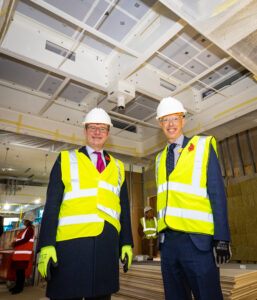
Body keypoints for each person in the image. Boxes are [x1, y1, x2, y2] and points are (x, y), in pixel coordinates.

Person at [38, 107, 133, 300]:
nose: (97, 132)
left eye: (102, 128)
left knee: (101, 296)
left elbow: (123, 209)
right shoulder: (65, 159)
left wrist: (126, 243)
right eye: (92, 127)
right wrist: (46, 244)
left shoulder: (118, 166)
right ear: (85, 131)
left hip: (106, 244)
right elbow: (52, 207)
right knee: (66, 294)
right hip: (70, 245)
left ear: (108, 133)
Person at [155, 97, 231, 300]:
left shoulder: (203, 146)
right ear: (160, 124)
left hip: (197, 242)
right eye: (165, 120)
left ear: (183, 120)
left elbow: (217, 193)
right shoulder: (159, 159)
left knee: (208, 295)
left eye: (174, 118)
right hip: (169, 244)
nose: (170, 124)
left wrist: (222, 238)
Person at [10, 213, 35, 295]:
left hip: (23, 255)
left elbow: (25, 240)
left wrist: (15, 243)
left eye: (24, 220)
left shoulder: (30, 229)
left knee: (21, 273)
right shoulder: (26, 229)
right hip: (19, 255)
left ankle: (19, 288)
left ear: (28, 221)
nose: (23, 221)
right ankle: (17, 286)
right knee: (18, 272)